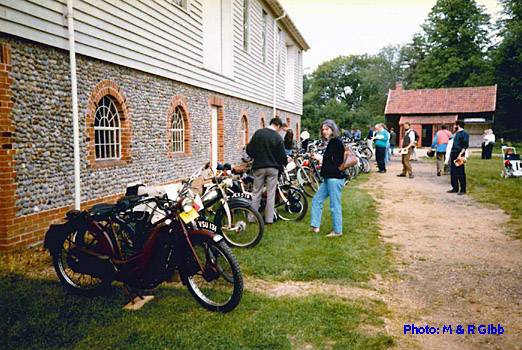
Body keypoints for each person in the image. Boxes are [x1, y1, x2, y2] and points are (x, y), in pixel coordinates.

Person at [246, 117, 288, 224]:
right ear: (278, 126)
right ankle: (269, 219)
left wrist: (256, 156)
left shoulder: (258, 134)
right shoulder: (277, 138)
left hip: (259, 167)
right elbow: (282, 156)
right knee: (271, 194)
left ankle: (252, 217)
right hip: (273, 169)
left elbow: (249, 150)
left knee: (256, 192)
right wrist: (283, 163)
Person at [310, 120, 345, 237]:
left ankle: (337, 231)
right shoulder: (331, 142)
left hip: (334, 178)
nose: (324, 131)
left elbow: (335, 162)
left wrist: (321, 159)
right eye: (323, 129)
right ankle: (315, 227)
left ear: (332, 129)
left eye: (327, 129)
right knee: (316, 200)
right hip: (328, 178)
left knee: (335, 205)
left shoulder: (335, 142)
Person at [447, 120, 469, 195]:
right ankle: (455, 187)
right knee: (453, 172)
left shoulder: (464, 133)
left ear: (458, 125)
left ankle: (463, 189)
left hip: (459, 153)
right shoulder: (455, 134)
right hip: (453, 153)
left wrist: (460, 154)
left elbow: (465, 145)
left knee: (460, 172)